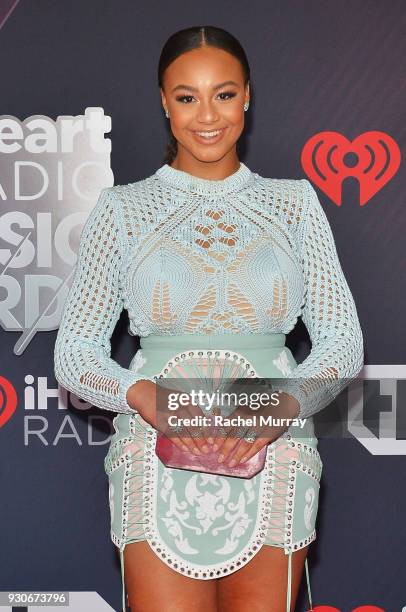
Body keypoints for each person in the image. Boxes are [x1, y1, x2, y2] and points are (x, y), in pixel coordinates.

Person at [54, 25, 364, 612]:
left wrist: (277, 408)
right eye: (186, 96)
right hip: (156, 451)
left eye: (223, 94)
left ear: (247, 94)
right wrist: (147, 398)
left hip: (272, 450)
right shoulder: (122, 210)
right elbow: (75, 356)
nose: (207, 116)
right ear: (163, 102)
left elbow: (342, 342)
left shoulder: (293, 204)